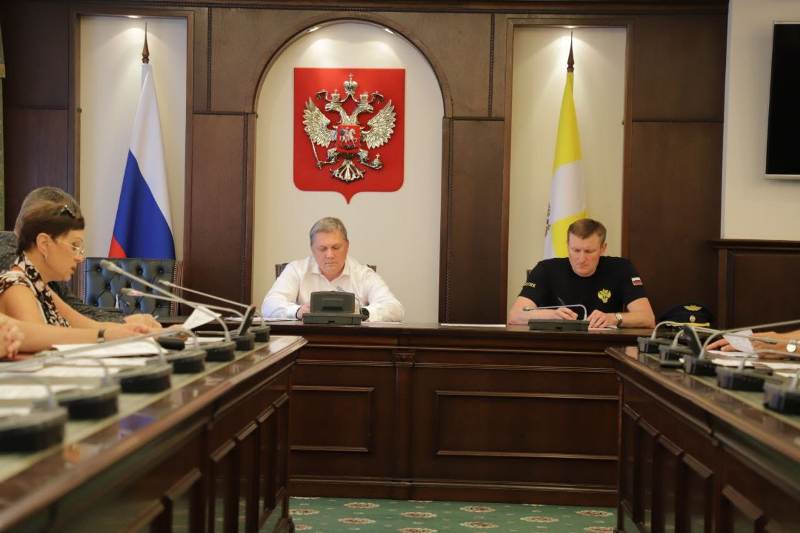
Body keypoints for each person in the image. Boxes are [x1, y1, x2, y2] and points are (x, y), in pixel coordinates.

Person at [0, 200, 155, 352]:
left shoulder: (39, 286)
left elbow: (89, 325)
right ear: (44, 244)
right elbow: (39, 342)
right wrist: (105, 336)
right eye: (74, 246)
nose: (80, 258)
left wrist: (140, 332)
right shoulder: (16, 286)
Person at [508, 218, 655, 328]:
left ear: (603, 248)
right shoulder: (546, 269)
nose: (581, 258)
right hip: (556, 348)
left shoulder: (621, 268)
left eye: (589, 251)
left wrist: (614, 318)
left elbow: (647, 318)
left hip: (605, 349)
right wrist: (552, 315)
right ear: (568, 246)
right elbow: (514, 316)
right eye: (576, 250)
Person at [262, 217, 404, 322]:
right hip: (305, 343)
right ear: (312, 249)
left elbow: (395, 309)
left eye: (336, 247)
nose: (329, 255)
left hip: (353, 344)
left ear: (347, 246)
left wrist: (362, 312)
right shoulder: (296, 270)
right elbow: (269, 306)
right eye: (322, 248)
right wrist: (298, 311)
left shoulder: (363, 274)